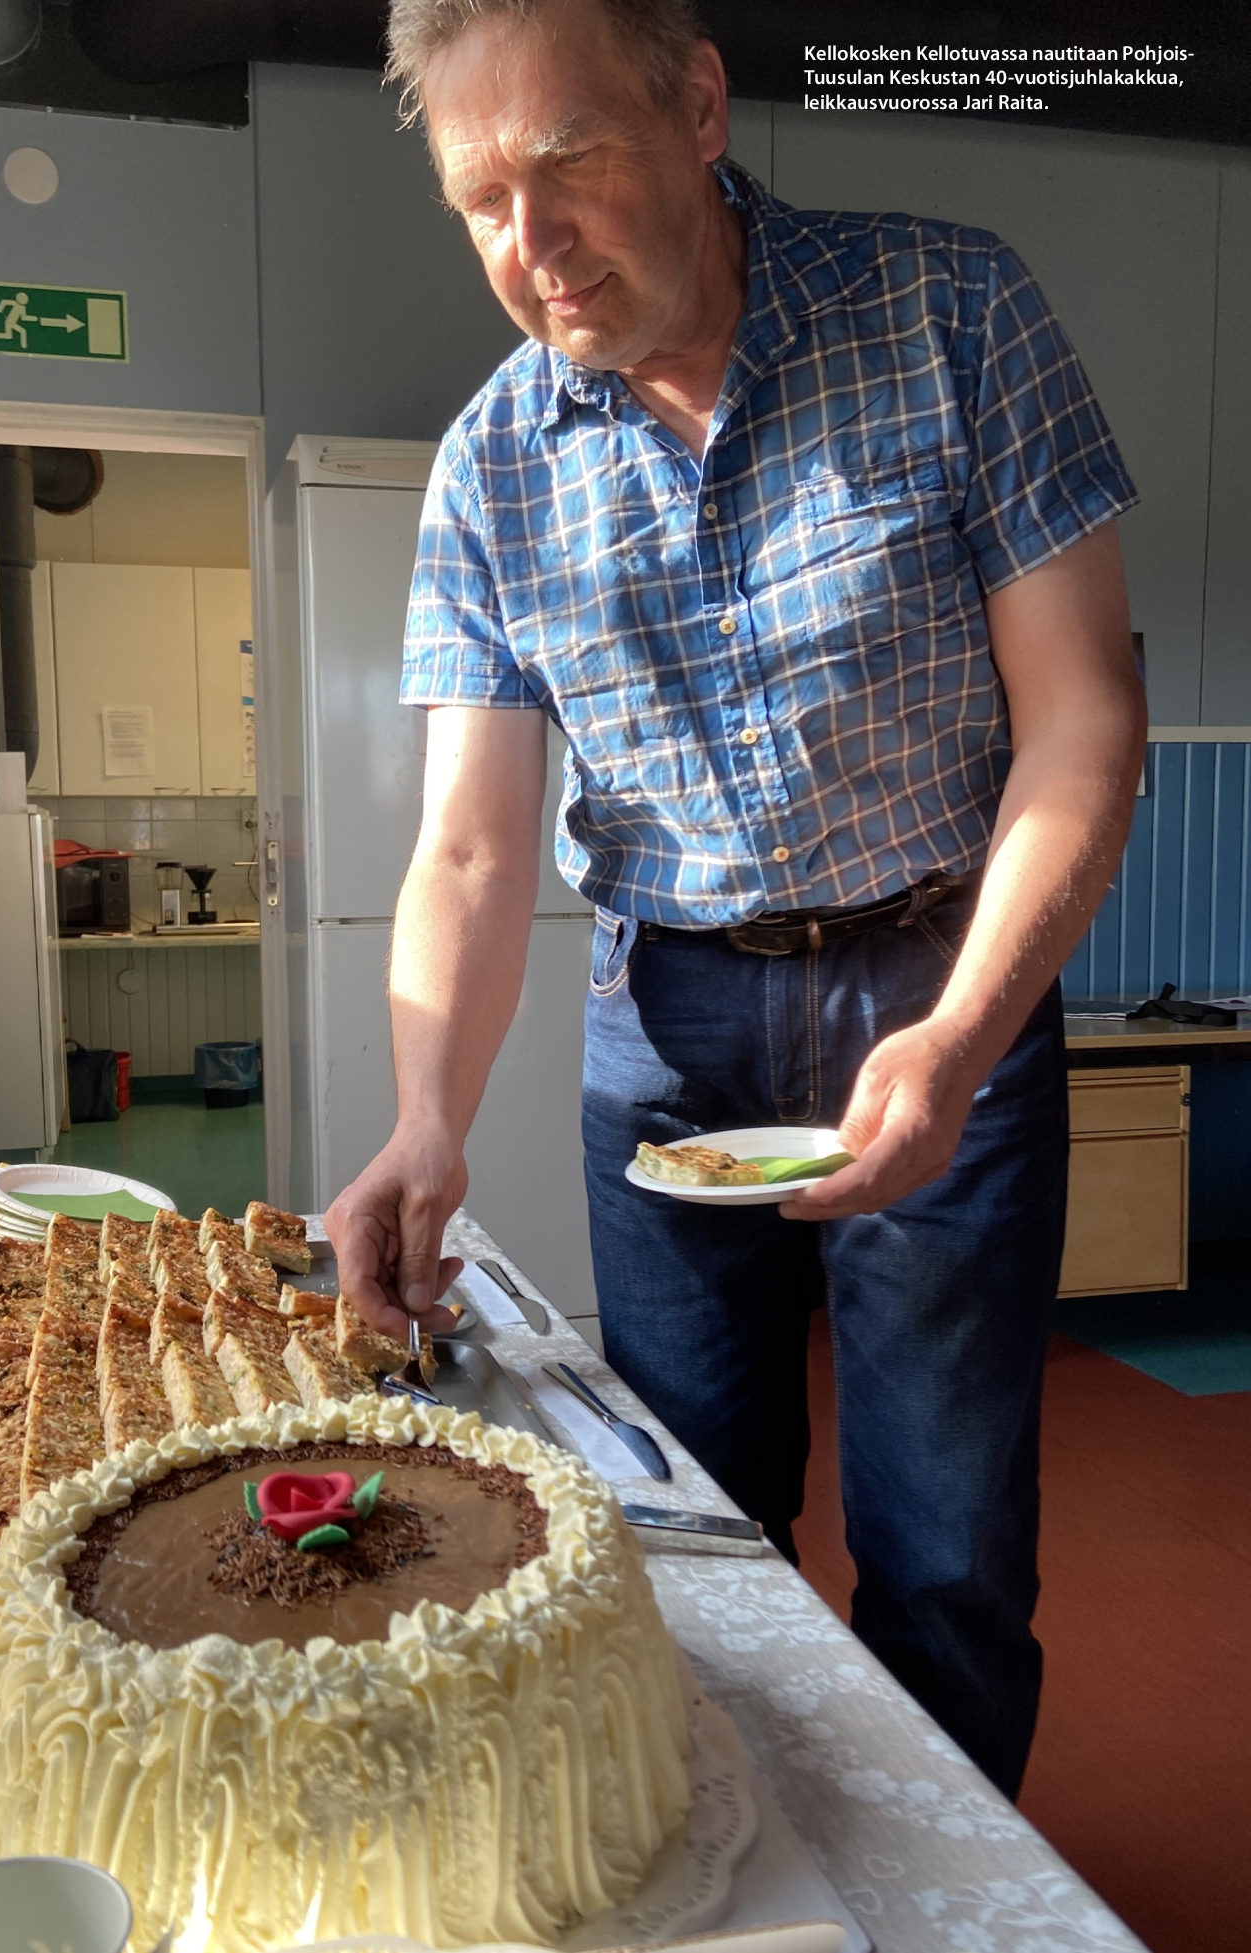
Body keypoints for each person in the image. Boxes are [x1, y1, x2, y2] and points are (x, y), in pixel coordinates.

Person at [324, 0, 1147, 1799]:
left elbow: (1085, 718)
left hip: (942, 978)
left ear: (697, 105)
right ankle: (751, 1876)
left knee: (947, 1551)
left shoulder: (950, 311)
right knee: (691, 1522)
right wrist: (425, 1119)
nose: (532, 247)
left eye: (568, 164)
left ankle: (929, 1898)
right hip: (671, 1031)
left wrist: (962, 1030)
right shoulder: (490, 467)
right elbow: (470, 849)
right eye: (480, 202)